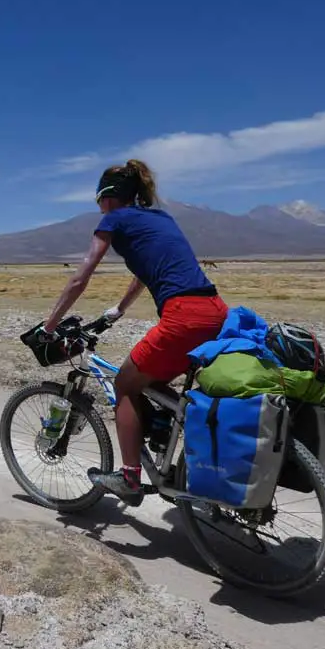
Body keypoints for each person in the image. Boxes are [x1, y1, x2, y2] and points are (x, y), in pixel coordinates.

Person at [40, 159, 228, 506]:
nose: (99, 208)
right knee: (151, 380)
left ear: (108, 198)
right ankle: (167, 446)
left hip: (183, 317)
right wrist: (118, 310)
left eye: (98, 202)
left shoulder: (113, 219)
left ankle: (129, 478)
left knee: (125, 384)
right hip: (217, 312)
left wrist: (49, 325)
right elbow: (145, 270)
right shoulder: (160, 218)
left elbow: (80, 277)